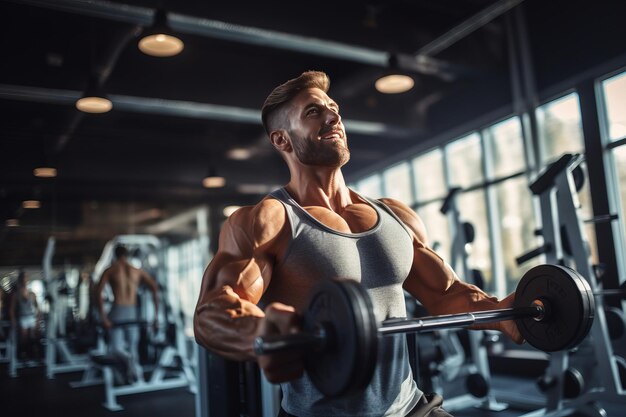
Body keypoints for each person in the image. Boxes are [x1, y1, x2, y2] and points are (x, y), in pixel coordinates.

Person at [193, 71, 523, 417]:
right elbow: (211, 313)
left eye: (333, 108)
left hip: (411, 407)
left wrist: (502, 313)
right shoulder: (268, 221)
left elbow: (444, 293)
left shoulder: (395, 215)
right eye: (313, 112)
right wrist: (258, 333)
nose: (333, 117)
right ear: (281, 140)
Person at [96, 245, 160, 384]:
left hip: (118, 310)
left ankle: (128, 365)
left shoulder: (110, 270)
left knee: (115, 348)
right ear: (127, 255)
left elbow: (98, 293)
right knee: (133, 347)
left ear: (114, 255)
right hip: (132, 311)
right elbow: (154, 288)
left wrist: (103, 317)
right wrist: (156, 315)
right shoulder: (137, 271)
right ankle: (134, 376)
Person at [9, 270, 41, 360]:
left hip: (31, 317)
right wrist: (13, 321)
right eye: (23, 277)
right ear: (20, 279)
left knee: (34, 337)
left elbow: (38, 307)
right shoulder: (16, 294)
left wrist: (38, 319)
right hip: (22, 318)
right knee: (24, 339)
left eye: (26, 277)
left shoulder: (32, 293)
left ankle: (34, 355)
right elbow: (12, 309)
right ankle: (24, 355)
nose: (24, 279)